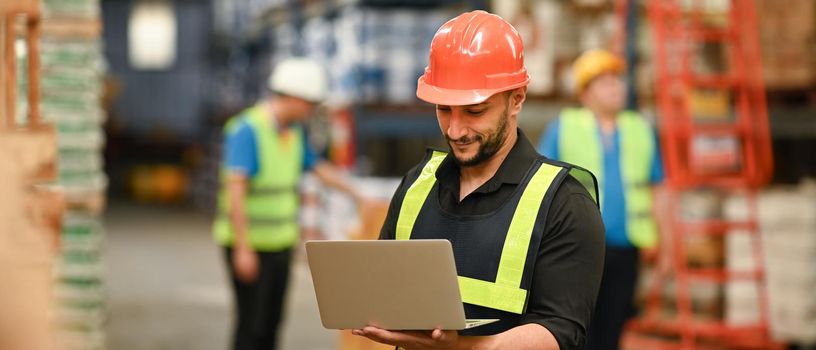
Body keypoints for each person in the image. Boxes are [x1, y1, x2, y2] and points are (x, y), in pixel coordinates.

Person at [356, 11, 605, 350]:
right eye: (444, 109)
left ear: (516, 99)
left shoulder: (564, 202)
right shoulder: (419, 183)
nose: (455, 130)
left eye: (474, 112)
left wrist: (460, 348)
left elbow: (561, 331)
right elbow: (388, 289)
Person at [213, 57, 363, 350]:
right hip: (249, 245)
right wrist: (243, 248)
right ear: (293, 97)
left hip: (280, 244)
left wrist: (358, 194)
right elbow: (236, 193)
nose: (312, 110)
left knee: (272, 323)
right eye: (310, 103)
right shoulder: (247, 130)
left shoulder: (293, 133)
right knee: (251, 326)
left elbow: (318, 168)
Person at [537, 49, 664, 350]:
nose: (615, 87)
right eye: (604, 82)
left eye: (616, 80)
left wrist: (664, 243)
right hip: (579, 247)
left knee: (615, 325)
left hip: (627, 246)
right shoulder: (565, 127)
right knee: (580, 326)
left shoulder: (640, 128)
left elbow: (658, 187)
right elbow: (542, 184)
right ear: (584, 93)